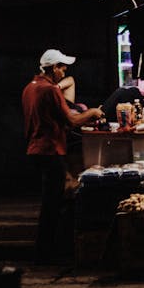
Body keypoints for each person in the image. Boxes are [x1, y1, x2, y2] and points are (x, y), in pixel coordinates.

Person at [22, 49, 104, 263]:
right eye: (61, 66)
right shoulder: (50, 90)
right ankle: (47, 253)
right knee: (54, 204)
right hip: (49, 150)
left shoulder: (30, 88)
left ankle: (47, 250)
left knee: (51, 202)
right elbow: (72, 121)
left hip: (35, 149)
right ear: (52, 68)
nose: (64, 70)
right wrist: (92, 113)